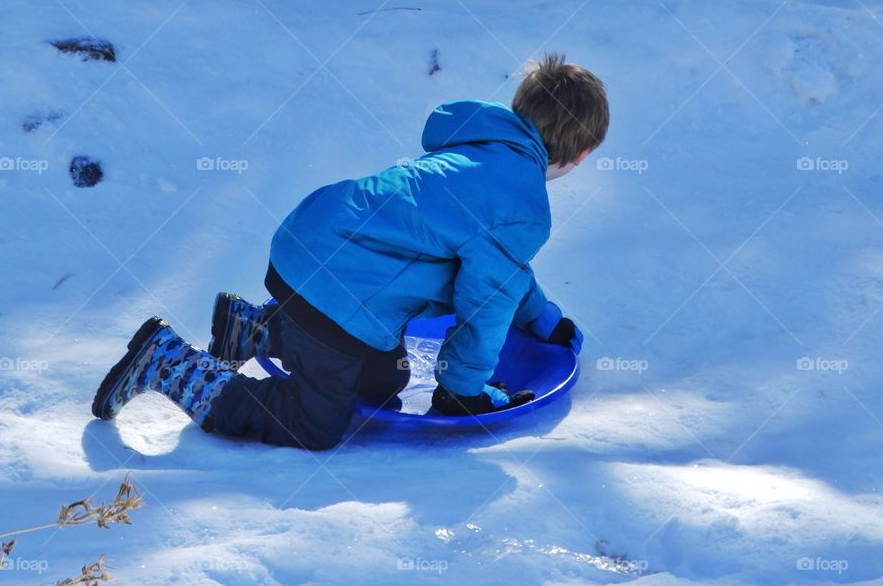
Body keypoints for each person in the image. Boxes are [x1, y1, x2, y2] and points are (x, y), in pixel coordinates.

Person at [92, 53, 609, 450]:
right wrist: (462, 390)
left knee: (388, 381)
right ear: (582, 153)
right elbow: (486, 302)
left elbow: (502, 271)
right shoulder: (523, 203)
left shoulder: (481, 152)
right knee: (316, 423)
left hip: (306, 245)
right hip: (339, 289)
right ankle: (169, 365)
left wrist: (542, 317)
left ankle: (251, 328)